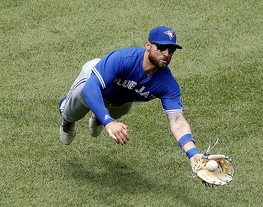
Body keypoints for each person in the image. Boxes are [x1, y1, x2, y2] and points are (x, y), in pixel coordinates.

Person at [59, 26, 202, 167]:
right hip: (93, 79)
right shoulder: (124, 58)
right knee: (77, 103)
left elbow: (177, 120)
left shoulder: (168, 85)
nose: (166, 53)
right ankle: (68, 121)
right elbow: (91, 88)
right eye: (161, 48)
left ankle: (98, 117)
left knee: (122, 108)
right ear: (148, 45)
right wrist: (109, 122)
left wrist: (192, 152)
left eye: (171, 50)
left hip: (121, 98)